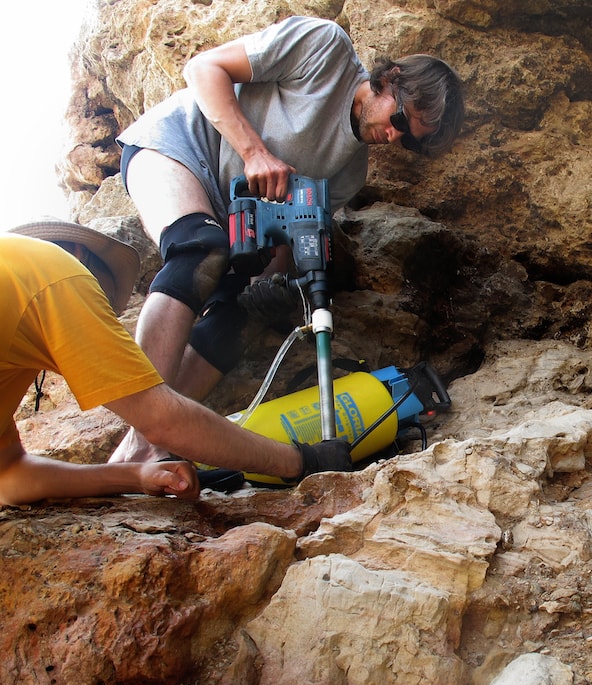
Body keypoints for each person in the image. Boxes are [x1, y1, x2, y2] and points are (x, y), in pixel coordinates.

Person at [110, 15, 465, 463]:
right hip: (178, 146)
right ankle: (146, 421)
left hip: (230, 215)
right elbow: (204, 69)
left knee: (236, 320)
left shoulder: (349, 173)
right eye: (399, 119)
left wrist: (270, 283)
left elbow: (287, 230)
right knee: (198, 250)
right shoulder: (326, 51)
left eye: (407, 140)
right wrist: (254, 153)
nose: (393, 137)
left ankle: (139, 449)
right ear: (390, 79)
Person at [0, 221, 352, 507]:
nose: (101, 319)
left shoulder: (14, 329)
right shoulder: (55, 271)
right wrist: (303, 461)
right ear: (79, 254)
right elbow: (162, 420)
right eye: (102, 302)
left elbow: (10, 477)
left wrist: (137, 476)